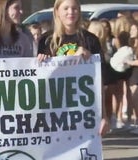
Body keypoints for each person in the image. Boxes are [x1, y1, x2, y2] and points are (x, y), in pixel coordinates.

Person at [37, 0, 109, 136]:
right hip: (55, 108)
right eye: (66, 8)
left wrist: (103, 116)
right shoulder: (46, 40)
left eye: (75, 8)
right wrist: (40, 62)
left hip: (82, 109)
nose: (71, 12)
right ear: (57, 11)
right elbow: (40, 79)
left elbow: (99, 82)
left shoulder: (90, 40)